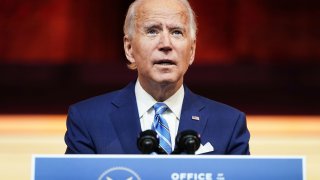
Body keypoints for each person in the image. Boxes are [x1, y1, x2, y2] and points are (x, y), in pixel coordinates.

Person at [64, 0, 250, 155]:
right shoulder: (88, 120)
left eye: (177, 32)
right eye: (152, 31)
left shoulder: (229, 124)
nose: (166, 44)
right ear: (129, 49)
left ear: (191, 50)